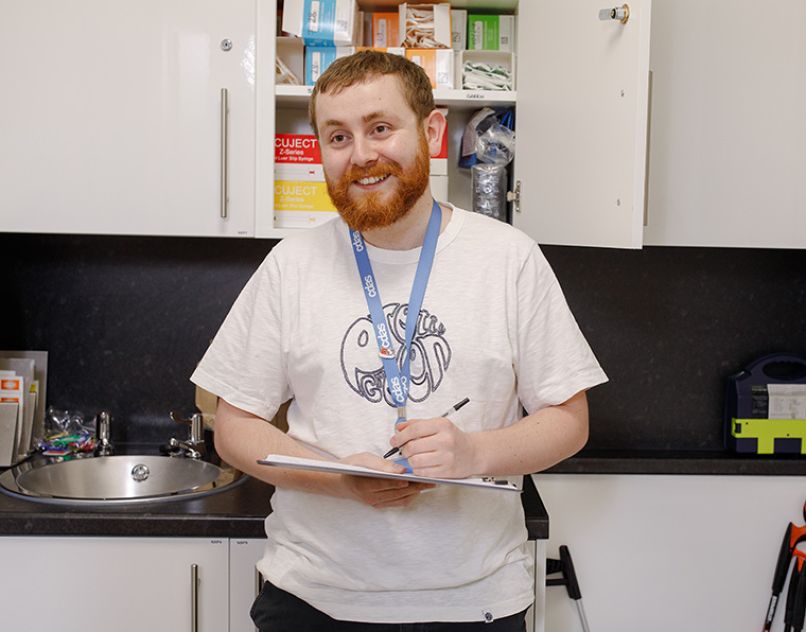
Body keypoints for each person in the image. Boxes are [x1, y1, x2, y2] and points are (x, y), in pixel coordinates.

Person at [191, 50, 607, 631]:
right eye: (338, 136)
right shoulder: (291, 265)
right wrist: (336, 476)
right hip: (313, 601)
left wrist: (473, 455)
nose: (361, 155)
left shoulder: (509, 259)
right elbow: (233, 428)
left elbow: (569, 420)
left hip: (475, 603)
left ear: (431, 131)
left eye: (381, 128)